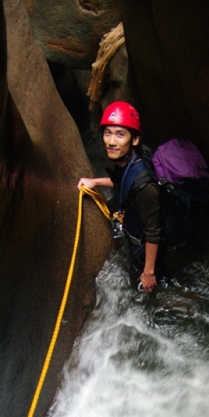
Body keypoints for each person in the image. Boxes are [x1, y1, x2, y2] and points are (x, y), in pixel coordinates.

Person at [77, 101, 163, 293]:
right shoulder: (129, 162)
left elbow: (153, 233)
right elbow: (122, 181)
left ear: (134, 139)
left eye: (120, 134)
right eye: (108, 133)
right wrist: (95, 182)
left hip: (147, 251)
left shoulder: (146, 188)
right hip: (135, 232)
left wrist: (148, 272)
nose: (111, 142)